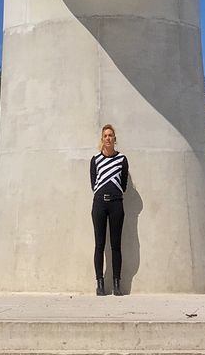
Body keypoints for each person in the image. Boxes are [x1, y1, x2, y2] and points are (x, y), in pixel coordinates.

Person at [90, 123, 128, 295]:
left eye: (110, 135)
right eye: (105, 136)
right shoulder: (95, 160)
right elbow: (94, 183)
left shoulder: (122, 160)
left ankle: (116, 284)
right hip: (99, 204)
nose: (108, 138)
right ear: (102, 139)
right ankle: (99, 283)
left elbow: (124, 184)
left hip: (116, 204)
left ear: (115, 138)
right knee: (99, 245)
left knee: (116, 245)